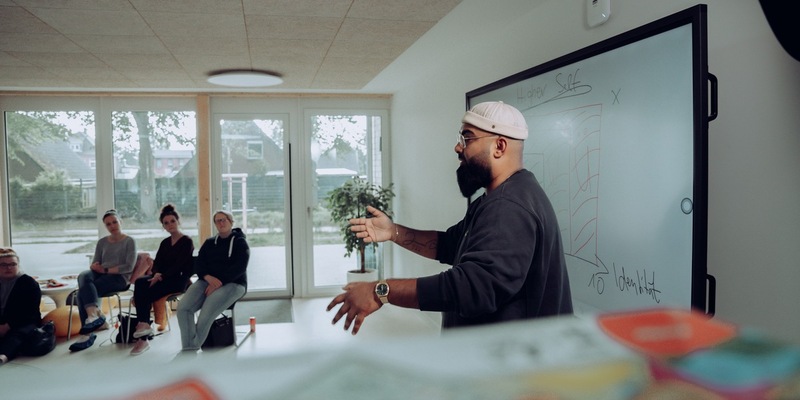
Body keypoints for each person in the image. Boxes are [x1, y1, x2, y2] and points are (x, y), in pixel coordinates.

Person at [327, 101, 573, 335]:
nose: (458, 147)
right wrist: (393, 232)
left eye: (467, 138)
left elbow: (472, 287)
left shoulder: (508, 207)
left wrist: (380, 291)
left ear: (499, 147)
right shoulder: (496, 199)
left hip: (513, 362)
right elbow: (450, 245)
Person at [177, 210, 249, 351]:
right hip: (207, 281)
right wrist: (207, 277)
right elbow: (199, 264)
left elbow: (240, 268)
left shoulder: (240, 242)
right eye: (217, 221)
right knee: (183, 309)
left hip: (234, 283)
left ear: (231, 222)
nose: (221, 223)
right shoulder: (209, 243)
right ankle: (189, 348)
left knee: (206, 313)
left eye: (224, 220)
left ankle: (191, 348)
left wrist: (218, 283)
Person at [128, 204, 194, 356]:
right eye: (166, 223)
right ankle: (144, 327)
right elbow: (157, 263)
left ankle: (143, 336)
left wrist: (160, 276)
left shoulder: (187, 241)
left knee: (142, 294)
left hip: (179, 280)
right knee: (140, 282)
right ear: (163, 226)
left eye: (172, 221)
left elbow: (179, 266)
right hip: (162, 278)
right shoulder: (165, 242)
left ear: (178, 221)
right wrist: (157, 273)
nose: (170, 225)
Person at [69, 209, 137, 352]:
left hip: (119, 278)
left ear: (120, 222)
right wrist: (94, 267)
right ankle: (93, 316)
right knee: (83, 276)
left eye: (114, 222)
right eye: (108, 224)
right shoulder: (102, 242)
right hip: (100, 274)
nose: (112, 226)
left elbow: (128, 267)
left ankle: (88, 333)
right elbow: (96, 263)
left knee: (82, 293)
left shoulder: (129, 241)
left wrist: (105, 270)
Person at [0, 247, 42, 364]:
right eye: (3, 265)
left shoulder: (28, 283)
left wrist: (8, 325)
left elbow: (30, 311)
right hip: (2, 320)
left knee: (18, 334)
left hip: (24, 321)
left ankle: (3, 356)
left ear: (18, 265)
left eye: (12, 264)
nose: (8, 268)